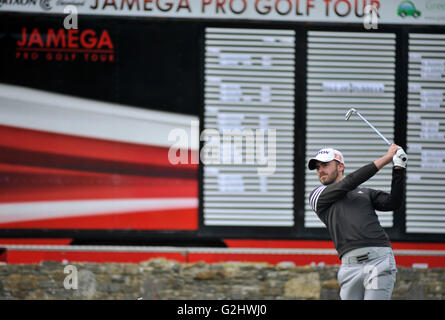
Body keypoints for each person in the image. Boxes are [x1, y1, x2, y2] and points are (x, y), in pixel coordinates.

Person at [308, 143, 407, 300]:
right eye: (318, 167)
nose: (320, 170)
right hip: (349, 267)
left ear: (340, 166)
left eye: (325, 165)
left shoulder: (364, 192)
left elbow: (393, 203)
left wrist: (399, 168)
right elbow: (350, 182)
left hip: (378, 261)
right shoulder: (317, 196)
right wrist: (387, 158)